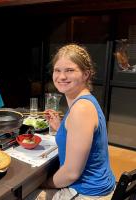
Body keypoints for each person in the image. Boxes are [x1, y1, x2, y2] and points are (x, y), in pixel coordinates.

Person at [27, 44, 116, 200]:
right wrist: (61, 127)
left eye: (70, 70)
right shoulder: (85, 101)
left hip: (87, 193)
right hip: (102, 185)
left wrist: (44, 184)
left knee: (24, 193)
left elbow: (71, 173)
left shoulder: (81, 109)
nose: (61, 77)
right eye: (57, 70)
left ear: (86, 74)